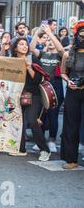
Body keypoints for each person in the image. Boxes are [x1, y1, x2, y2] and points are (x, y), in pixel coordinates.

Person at [9, 38, 50, 161]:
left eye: (26, 44)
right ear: (15, 48)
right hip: (16, 95)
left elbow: (38, 80)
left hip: (33, 95)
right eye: (21, 44)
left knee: (32, 121)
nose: (24, 46)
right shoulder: (10, 61)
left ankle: (44, 150)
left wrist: (29, 68)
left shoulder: (33, 60)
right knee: (17, 121)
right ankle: (21, 149)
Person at [30, 24, 65, 152]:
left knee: (53, 114)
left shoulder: (60, 56)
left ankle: (51, 140)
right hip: (42, 86)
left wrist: (50, 33)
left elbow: (61, 50)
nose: (50, 42)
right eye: (48, 40)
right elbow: (31, 48)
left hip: (55, 85)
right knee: (40, 114)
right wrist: (38, 33)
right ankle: (41, 140)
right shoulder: (42, 54)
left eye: (52, 40)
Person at [60, 20, 84, 169]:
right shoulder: (68, 53)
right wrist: (68, 81)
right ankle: (71, 159)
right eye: (81, 35)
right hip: (72, 92)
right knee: (71, 125)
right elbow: (63, 72)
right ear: (76, 36)